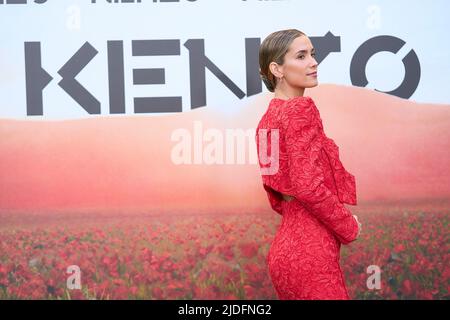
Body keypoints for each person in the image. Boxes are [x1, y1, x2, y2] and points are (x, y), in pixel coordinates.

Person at [255, 29, 362, 300]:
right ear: (277, 69)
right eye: (301, 56)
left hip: (284, 255)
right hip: (312, 257)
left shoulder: (267, 120)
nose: (313, 62)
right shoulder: (300, 110)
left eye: (312, 54)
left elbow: (277, 195)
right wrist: (348, 225)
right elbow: (307, 186)